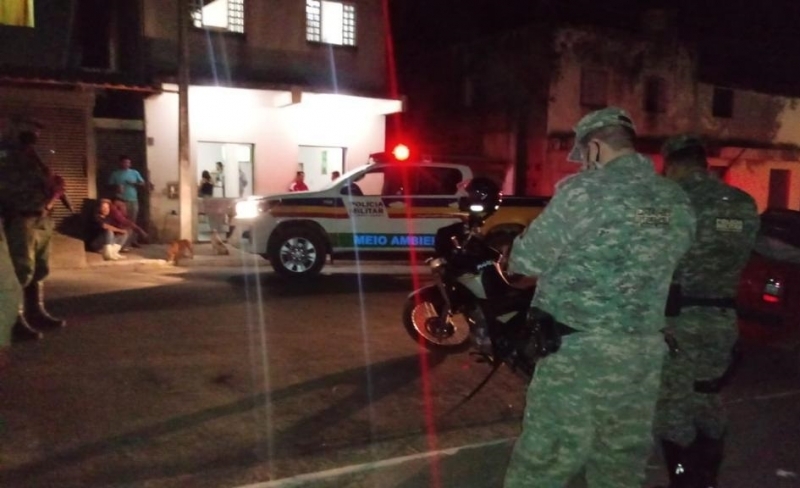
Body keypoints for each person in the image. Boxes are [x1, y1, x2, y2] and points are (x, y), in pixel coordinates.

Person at [503, 107, 696, 488]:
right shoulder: (674, 198)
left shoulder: (583, 191)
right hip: (642, 354)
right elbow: (675, 257)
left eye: (585, 156)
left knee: (545, 459)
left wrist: (515, 250)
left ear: (594, 147)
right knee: (620, 461)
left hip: (579, 352)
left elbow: (528, 259)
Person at [652, 135, 759, 488]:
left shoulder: (668, 202)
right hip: (722, 319)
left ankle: (685, 482)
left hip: (677, 322)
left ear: (671, 164)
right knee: (707, 396)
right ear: (703, 161)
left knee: (673, 405)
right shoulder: (742, 202)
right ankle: (707, 479)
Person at [0, 115, 73, 341]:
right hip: (19, 216)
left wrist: (53, 187)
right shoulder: (6, 155)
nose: (35, 135)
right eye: (31, 130)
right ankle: (13, 319)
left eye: (37, 131)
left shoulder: (34, 156)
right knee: (20, 269)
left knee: (39, 268)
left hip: (40, 216)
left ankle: (35, 311)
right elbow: (10, 187)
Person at [108, 155, 146, 247]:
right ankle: (123, 243)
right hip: (121, 201)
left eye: (128, 163)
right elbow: (109, 186)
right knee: (122, 221)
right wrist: (116, 187)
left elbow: (143, 183)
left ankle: (133, 241)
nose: (127, 164)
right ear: (120, 163)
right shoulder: (115, 174)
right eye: (125, 162)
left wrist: (134, 183)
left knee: (133, 220)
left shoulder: (134, 172)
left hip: (133, 200)